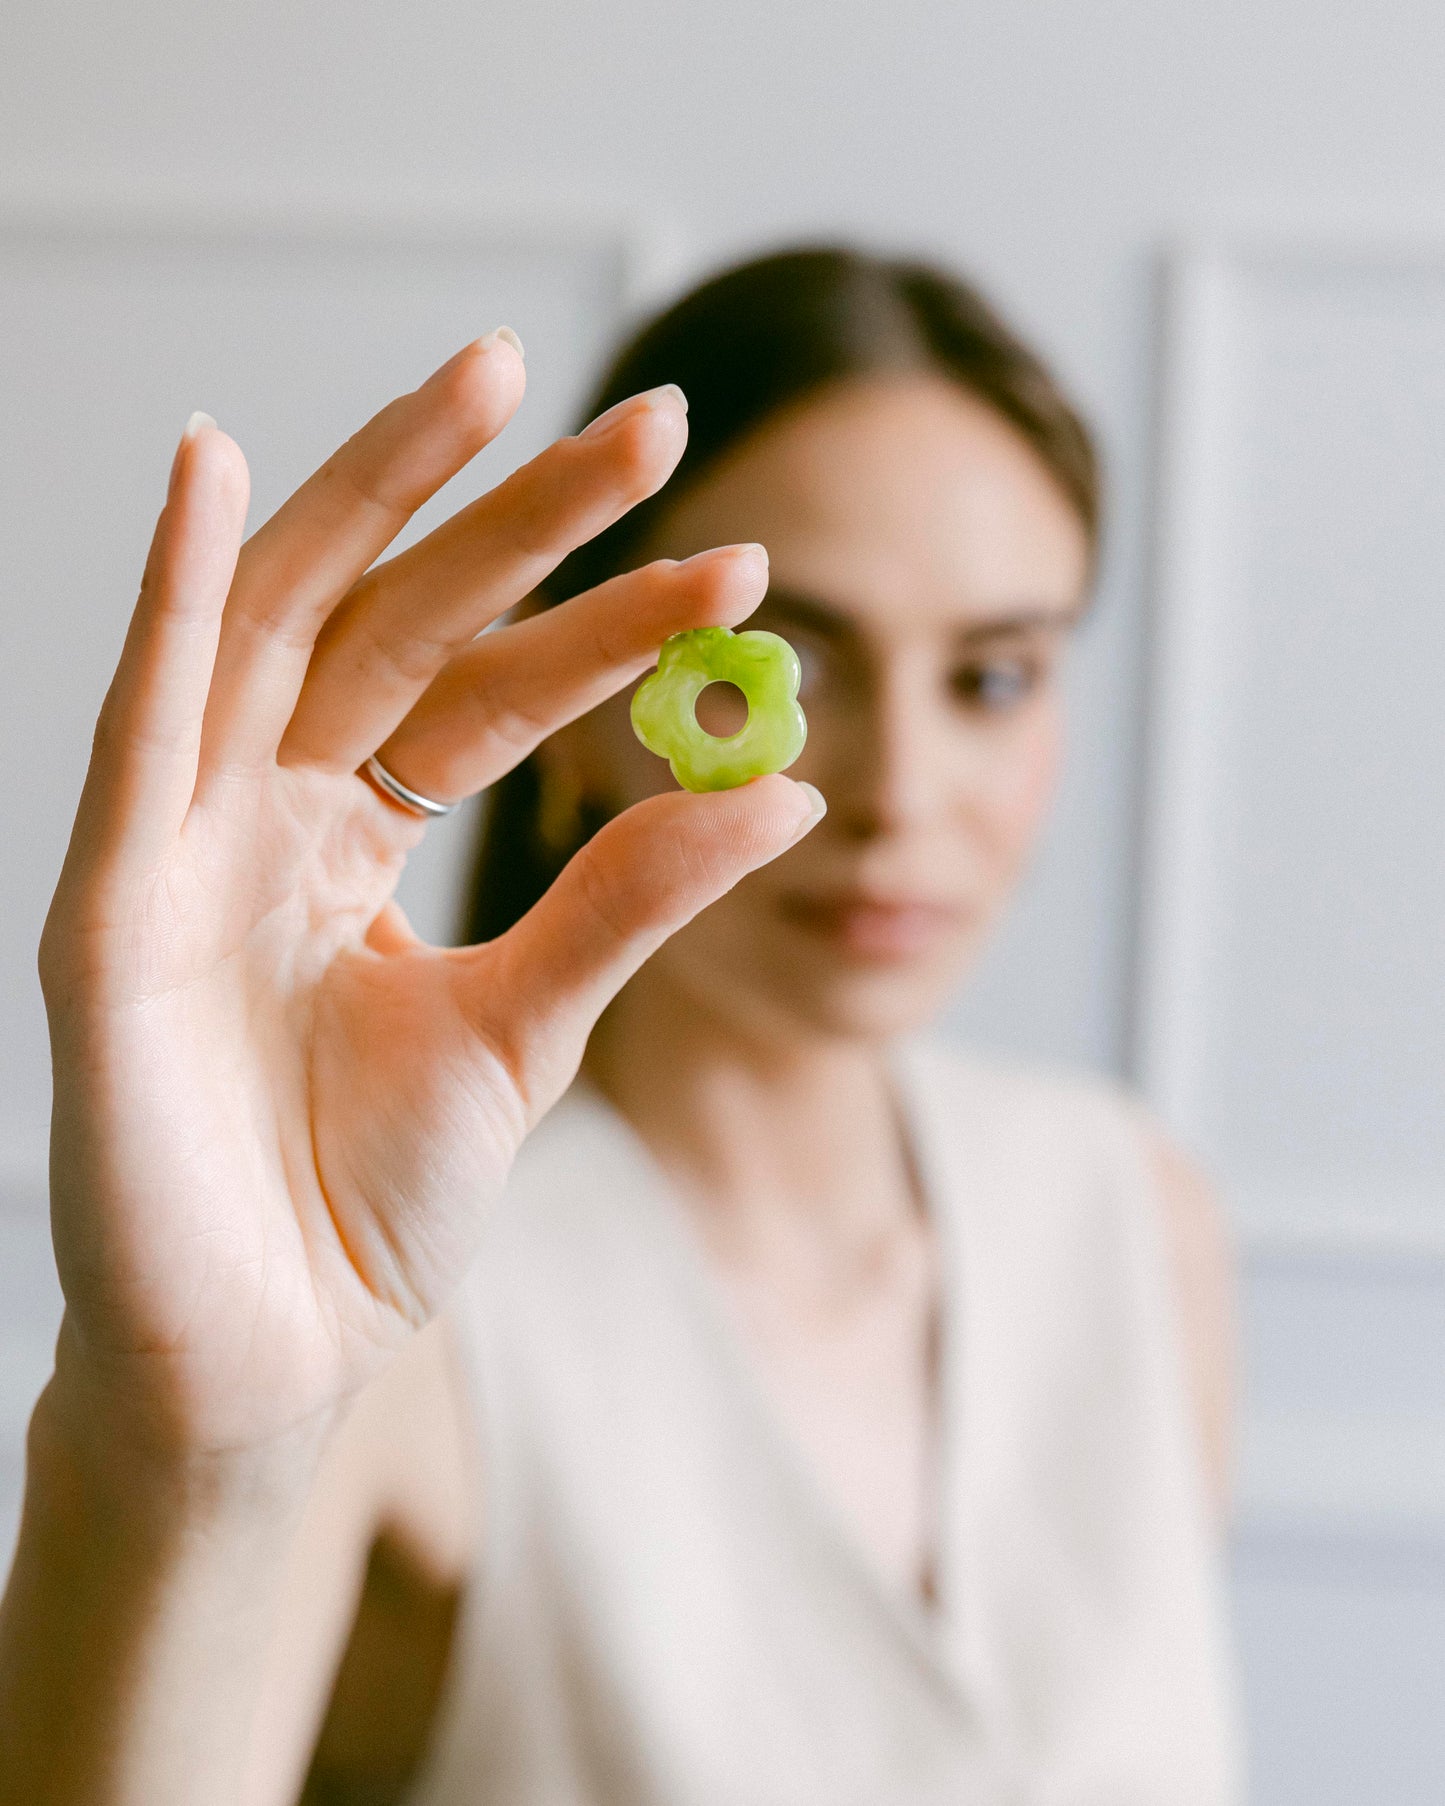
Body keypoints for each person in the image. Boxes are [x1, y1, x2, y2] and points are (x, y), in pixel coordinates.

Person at [0, 246, 1241, 1804]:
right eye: (795, 661)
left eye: (992, 677)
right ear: (578, 711)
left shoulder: (1131, 1215)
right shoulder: (412, 1311)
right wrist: (184, 1450)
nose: (904, 794)